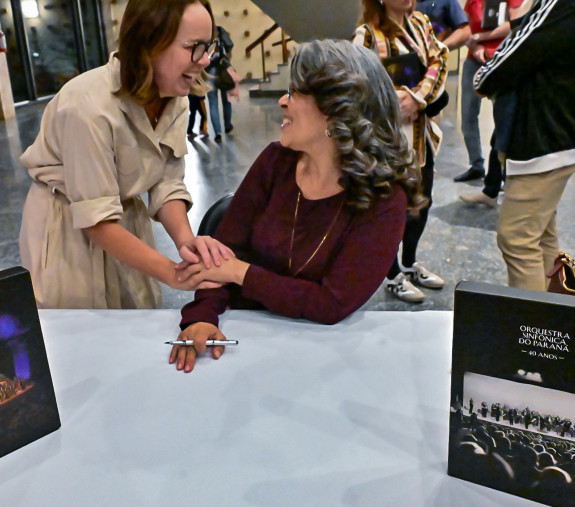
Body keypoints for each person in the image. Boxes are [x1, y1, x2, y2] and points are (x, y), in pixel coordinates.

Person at [168, 39, 425, 372]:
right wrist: (202, 316)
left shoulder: (385, 199)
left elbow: (332, 303)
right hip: (245, 343)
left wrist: (238, 272)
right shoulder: (276, 161)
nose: (282, 101)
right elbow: (221, 254)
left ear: (337, 112)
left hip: (323, 356)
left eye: (294, 93)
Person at [19, 0, 232, 309]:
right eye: (194, 47)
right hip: (69, 231)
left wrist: (186, 244)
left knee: (135, 316)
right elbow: (97, 221)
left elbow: (167, 182)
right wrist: (174, 274)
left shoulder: (173, 94)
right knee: (83, 336)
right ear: (149, 44)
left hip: (123, 223)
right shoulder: (87, 106)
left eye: (209, 46)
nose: (205, 60)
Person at [473, 0, 575, 291]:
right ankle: (552, 314)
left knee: (516, 240)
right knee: (541, 234)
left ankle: (529, 336)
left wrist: (481, 78)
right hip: (556, 141)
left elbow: (500, 65)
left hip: (544, 145)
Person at [353, 0, 449, 303]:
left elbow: (440, 61)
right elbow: (358, 87)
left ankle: (409, 263)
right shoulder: (366, 36)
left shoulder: (422, 23)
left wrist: (416, 98)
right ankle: (391, 273)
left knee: (421, 203)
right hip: (387, 141)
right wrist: (393, 102)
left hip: (421, 135)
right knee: (390, 208)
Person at [453, 0, 527, 183]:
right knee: (467, 115)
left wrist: (481, 37)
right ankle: (476, 164)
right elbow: (467, 23)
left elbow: (514, 24)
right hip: (474, 57)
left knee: (502, 118)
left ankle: (501, 172)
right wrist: (471, 42)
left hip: (499, 60)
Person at [204, 25, 240, 138]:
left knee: (213, 103)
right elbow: (229, 47)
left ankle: (217, 132)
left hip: (209, 71)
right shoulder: (220, 33)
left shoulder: (203, 34)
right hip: (223, 69)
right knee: (226, 100)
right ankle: (228, 125)